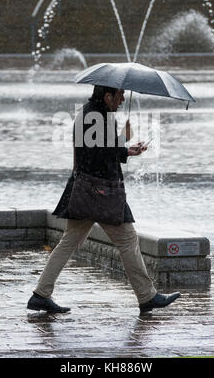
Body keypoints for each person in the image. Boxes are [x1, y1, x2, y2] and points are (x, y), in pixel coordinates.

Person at [27, 86, 180, 315]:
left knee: (69, 241)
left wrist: (126, 150)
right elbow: (100, 155)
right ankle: (147, 296)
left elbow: (99, 151)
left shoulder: (92, 113)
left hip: (84, 190)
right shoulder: (97, 117)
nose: (122, 99)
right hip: (101, 192)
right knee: (128, 240)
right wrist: (124, 142)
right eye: (119, 95)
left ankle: (41, 294)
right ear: (107, 96)